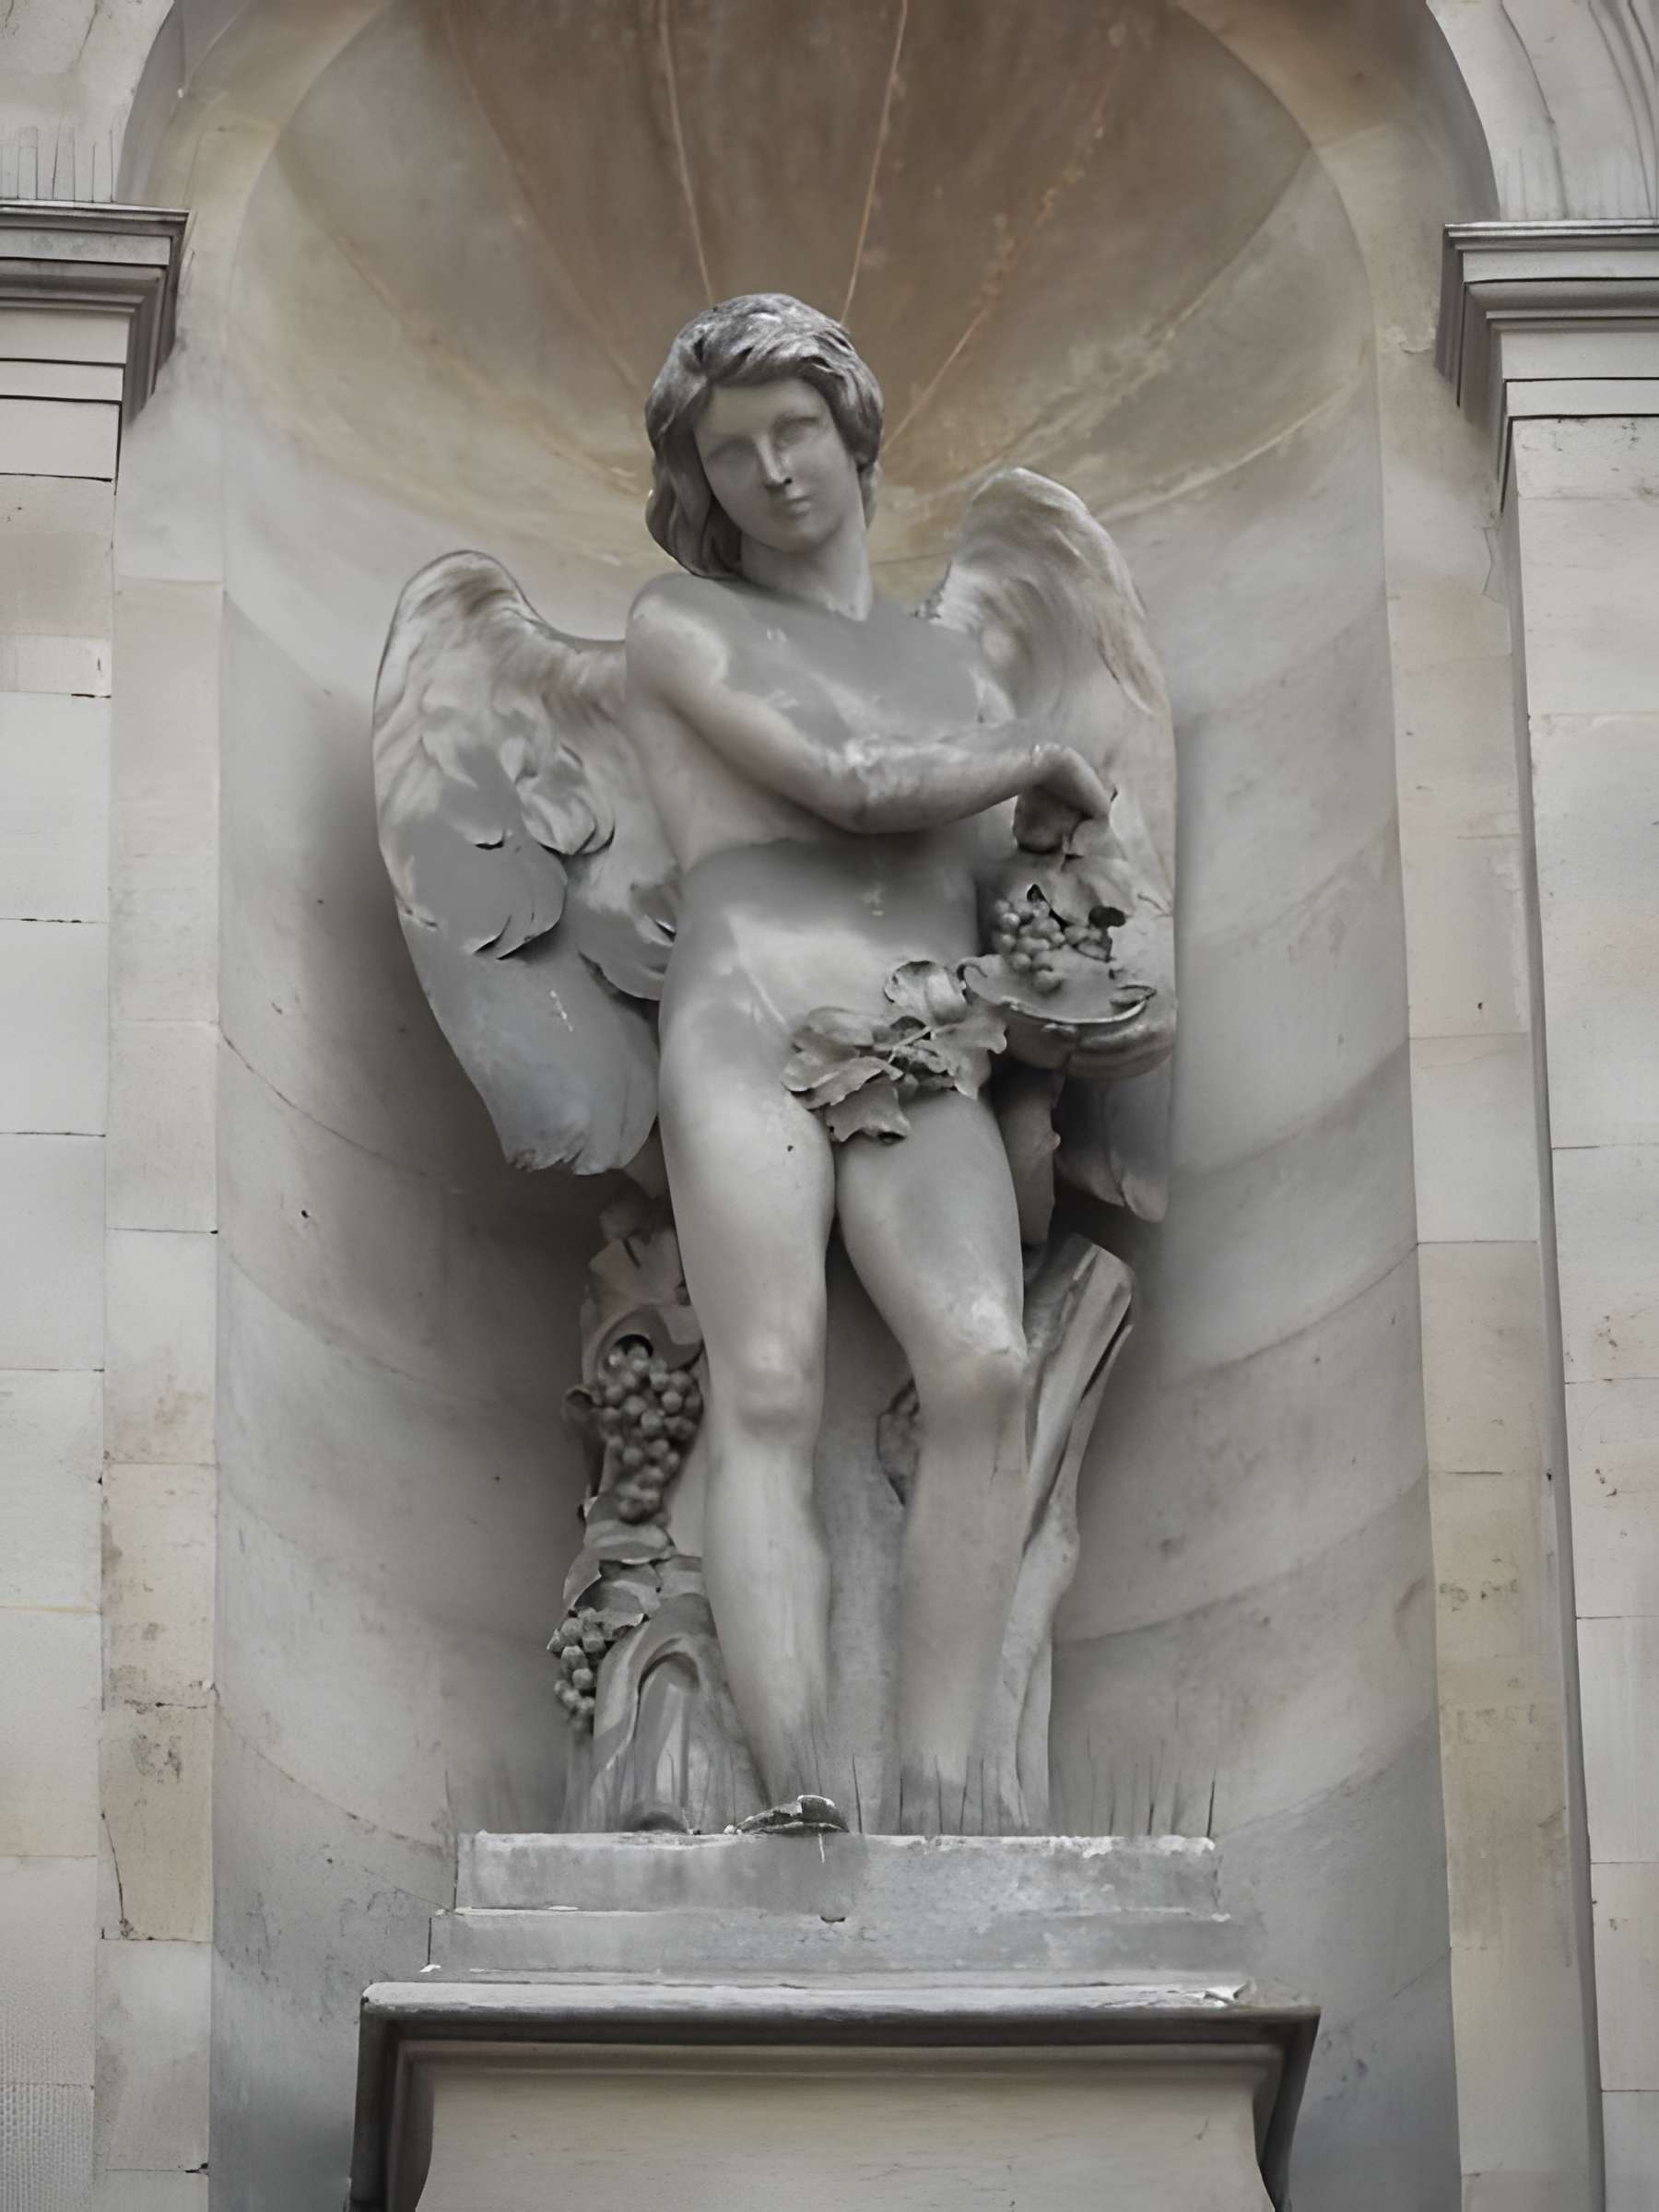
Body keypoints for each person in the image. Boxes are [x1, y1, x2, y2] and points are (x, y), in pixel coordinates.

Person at [620, 293, 1111, 1830]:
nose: (772, 472)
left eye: (796, 433)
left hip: (919, 1037)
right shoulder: (680, 622)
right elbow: (847, 786)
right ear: (701, 483)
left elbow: (1011, 895)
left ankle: (944, 1778)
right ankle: (796, 1790)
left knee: (982, 1367)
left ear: (852, 438)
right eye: (734, 450)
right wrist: (1036, 759)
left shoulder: (953, 669)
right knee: (766, 1382)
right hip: (749, 1011)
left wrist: (1072, 923)